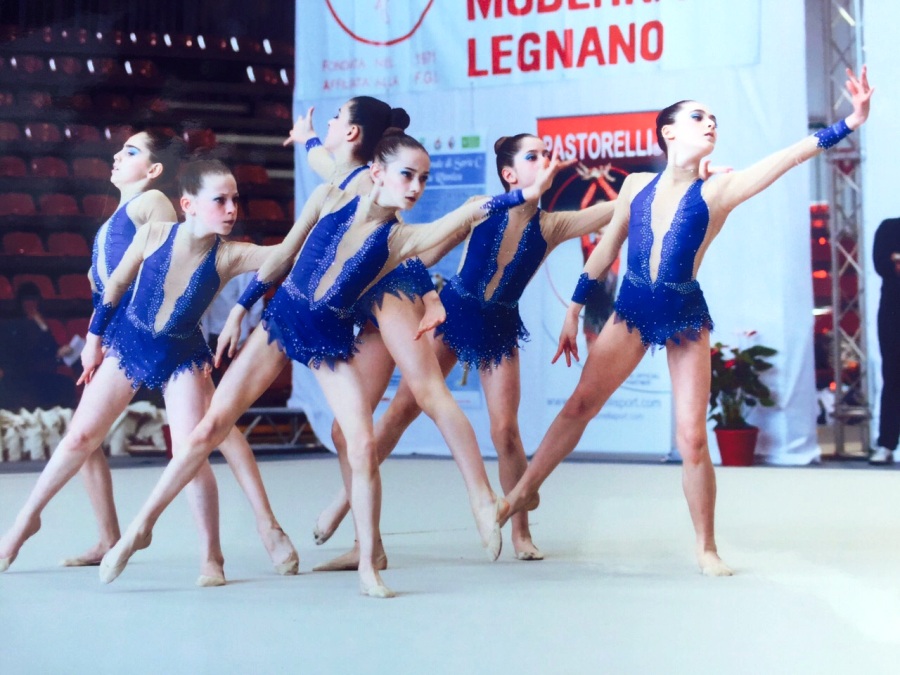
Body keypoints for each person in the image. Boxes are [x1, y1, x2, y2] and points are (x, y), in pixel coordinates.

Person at [98, 129, 565, 598]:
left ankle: (368, 565)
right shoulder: (328, 197)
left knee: (361, 444)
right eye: (407, 175)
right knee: (208, 429)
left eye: (423, 179)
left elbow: (466, 214)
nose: (415, 187)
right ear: (377, 172)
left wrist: (524, 196)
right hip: (281, 323)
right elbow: (284, 255)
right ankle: (140, 529)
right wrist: (242, 308)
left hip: (327, 341)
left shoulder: (400, 239)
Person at [498, 67, 874, 576]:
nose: (710, 123)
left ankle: (706, 547)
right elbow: (606, 250)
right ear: (669, 131)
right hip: (631, 310)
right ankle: (519, 494)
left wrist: (849, 123)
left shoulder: (718, 191)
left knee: (692, 437)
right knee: (580, 405)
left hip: (684, 315)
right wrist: (573, 310)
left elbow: (786, 158)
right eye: (699, 116)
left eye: (714, 118)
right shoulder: (635, 185)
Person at [311, 133, 619, 564]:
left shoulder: (552, 226)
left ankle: (520, 533)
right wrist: (421, 295)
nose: (545, 160)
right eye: (534, 156)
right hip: (453, 313)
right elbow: (424, 252)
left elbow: (615, 208)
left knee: (505, 431)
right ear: (510, 174)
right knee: (400, 412)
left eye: (547, 154)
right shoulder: (481, 207)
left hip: (499, 325)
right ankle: (343, 503)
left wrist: (653, 184)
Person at [0, 159, 298, 586]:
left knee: (190, 454)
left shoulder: (230, 254)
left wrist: (317, 218)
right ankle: (23, 523)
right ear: (188, 204)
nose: (232, 209)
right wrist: (94, 341)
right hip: (129, 342)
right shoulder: (155, 233)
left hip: (182, 356)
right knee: (80, 438)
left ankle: (211, 556)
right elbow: (116, 285)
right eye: (220, 200)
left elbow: (284, 255)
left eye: (235, 199)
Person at [286, 99, 489, 574]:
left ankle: (483, 498)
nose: (332, 122)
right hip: (371, 300)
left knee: (426, 394)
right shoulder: (351, 175)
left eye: (338, 118)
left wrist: (430, 297)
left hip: (392, 290)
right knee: (347, 429)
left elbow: (405, 251)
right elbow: (319, 160)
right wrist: (306, 138)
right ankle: (367, 543)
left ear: (355, 134)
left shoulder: (362, 177)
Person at [0, 283, 77, 411]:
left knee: (67, 384)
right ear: (21, 303)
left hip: (40, 375)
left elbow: (51, 349)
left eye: (34, 300)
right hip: (18, 376)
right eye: (27, 301)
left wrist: (60, 350)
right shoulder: (10, 325)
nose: (31, 305)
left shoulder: (40, 324)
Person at [869, 216, 900, 464]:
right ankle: (887, 443)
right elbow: (883, 265)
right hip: (894, 314)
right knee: (893, 377)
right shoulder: (890, 228)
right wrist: (893, 263)